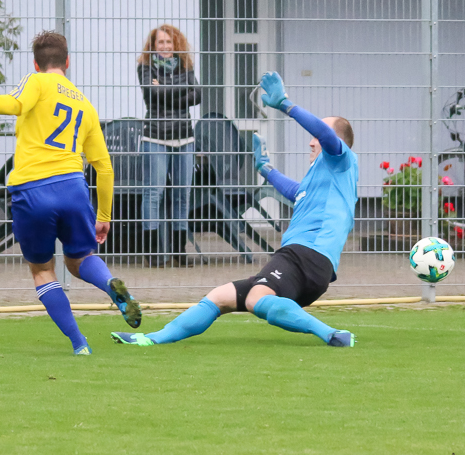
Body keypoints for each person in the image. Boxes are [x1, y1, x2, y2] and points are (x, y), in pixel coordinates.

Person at [112, 71, 356, 348]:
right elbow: (297, 192)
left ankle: (333, 334)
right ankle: (150, 339)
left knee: (255, 299)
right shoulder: (326, 177)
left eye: (317, 137)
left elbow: (324, 135)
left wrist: (285, 105)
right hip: (310, 264)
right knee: (219, 297)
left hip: (305, 255)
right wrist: (266, 169)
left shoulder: (342, 160)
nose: (312, 141)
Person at [0, 31, 142, 355]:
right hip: (73, 189)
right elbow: (104, 167)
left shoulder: (36, 82)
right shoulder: (84, 103)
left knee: (42, 270)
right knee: (80, 260)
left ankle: (79, 344)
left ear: (36, 63)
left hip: (33, 191)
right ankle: (109, 284)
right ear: (67, 61)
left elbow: (12, 104)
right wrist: (103, 216)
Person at [137, 24, 201, 267]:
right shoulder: (146, 67)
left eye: (169, 42)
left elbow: (198, 95)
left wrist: (163, 90)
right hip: (155, 136)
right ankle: (152, 253)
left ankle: (179, 252)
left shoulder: (185, 65)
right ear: (153, 46)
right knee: (154, 193)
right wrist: (182, 90)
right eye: (161, 42)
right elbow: (151, 93)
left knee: (182, 194)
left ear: (176, 44)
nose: (165, 46)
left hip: (184, 137)